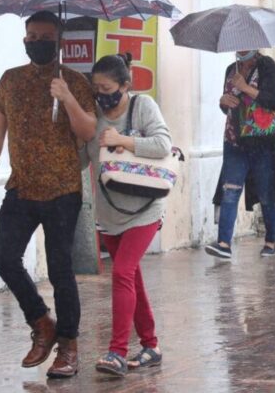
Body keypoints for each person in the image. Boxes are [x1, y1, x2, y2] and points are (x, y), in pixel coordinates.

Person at [0, 10, 97, 378]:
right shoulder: (10, 80)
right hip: (21, 186)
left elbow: (88, 131)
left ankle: (69, 347)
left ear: (59, 40)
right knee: (4, 257)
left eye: (44, 36)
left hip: (62, 189)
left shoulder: (73, 81)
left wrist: (67, 97)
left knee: (61, 269)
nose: (36, 42)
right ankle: (42, 322)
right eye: (31, 36)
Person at [79, 54, 171, 376]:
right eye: (96, 89)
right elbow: (81, 159)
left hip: (145, 210)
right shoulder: (93, 115)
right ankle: (151, 344)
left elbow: (163, 144)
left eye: (107, 88)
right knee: (131, 277)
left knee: (121, 273)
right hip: (109, 212)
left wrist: (124, 140)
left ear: (125, 86)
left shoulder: (142, 107)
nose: (102, 95)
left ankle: (117, 352)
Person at [204, 50, 275, 259]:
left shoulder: (267, 65)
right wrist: (223, 101)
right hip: (234, 140)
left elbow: (273, 100)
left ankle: (270, 240)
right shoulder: (230, 70)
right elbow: (229, 108)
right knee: (230, 190)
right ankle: (224, 243)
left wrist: (245, 88)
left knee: (266, 193)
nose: (241, 49)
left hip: (262, 140)